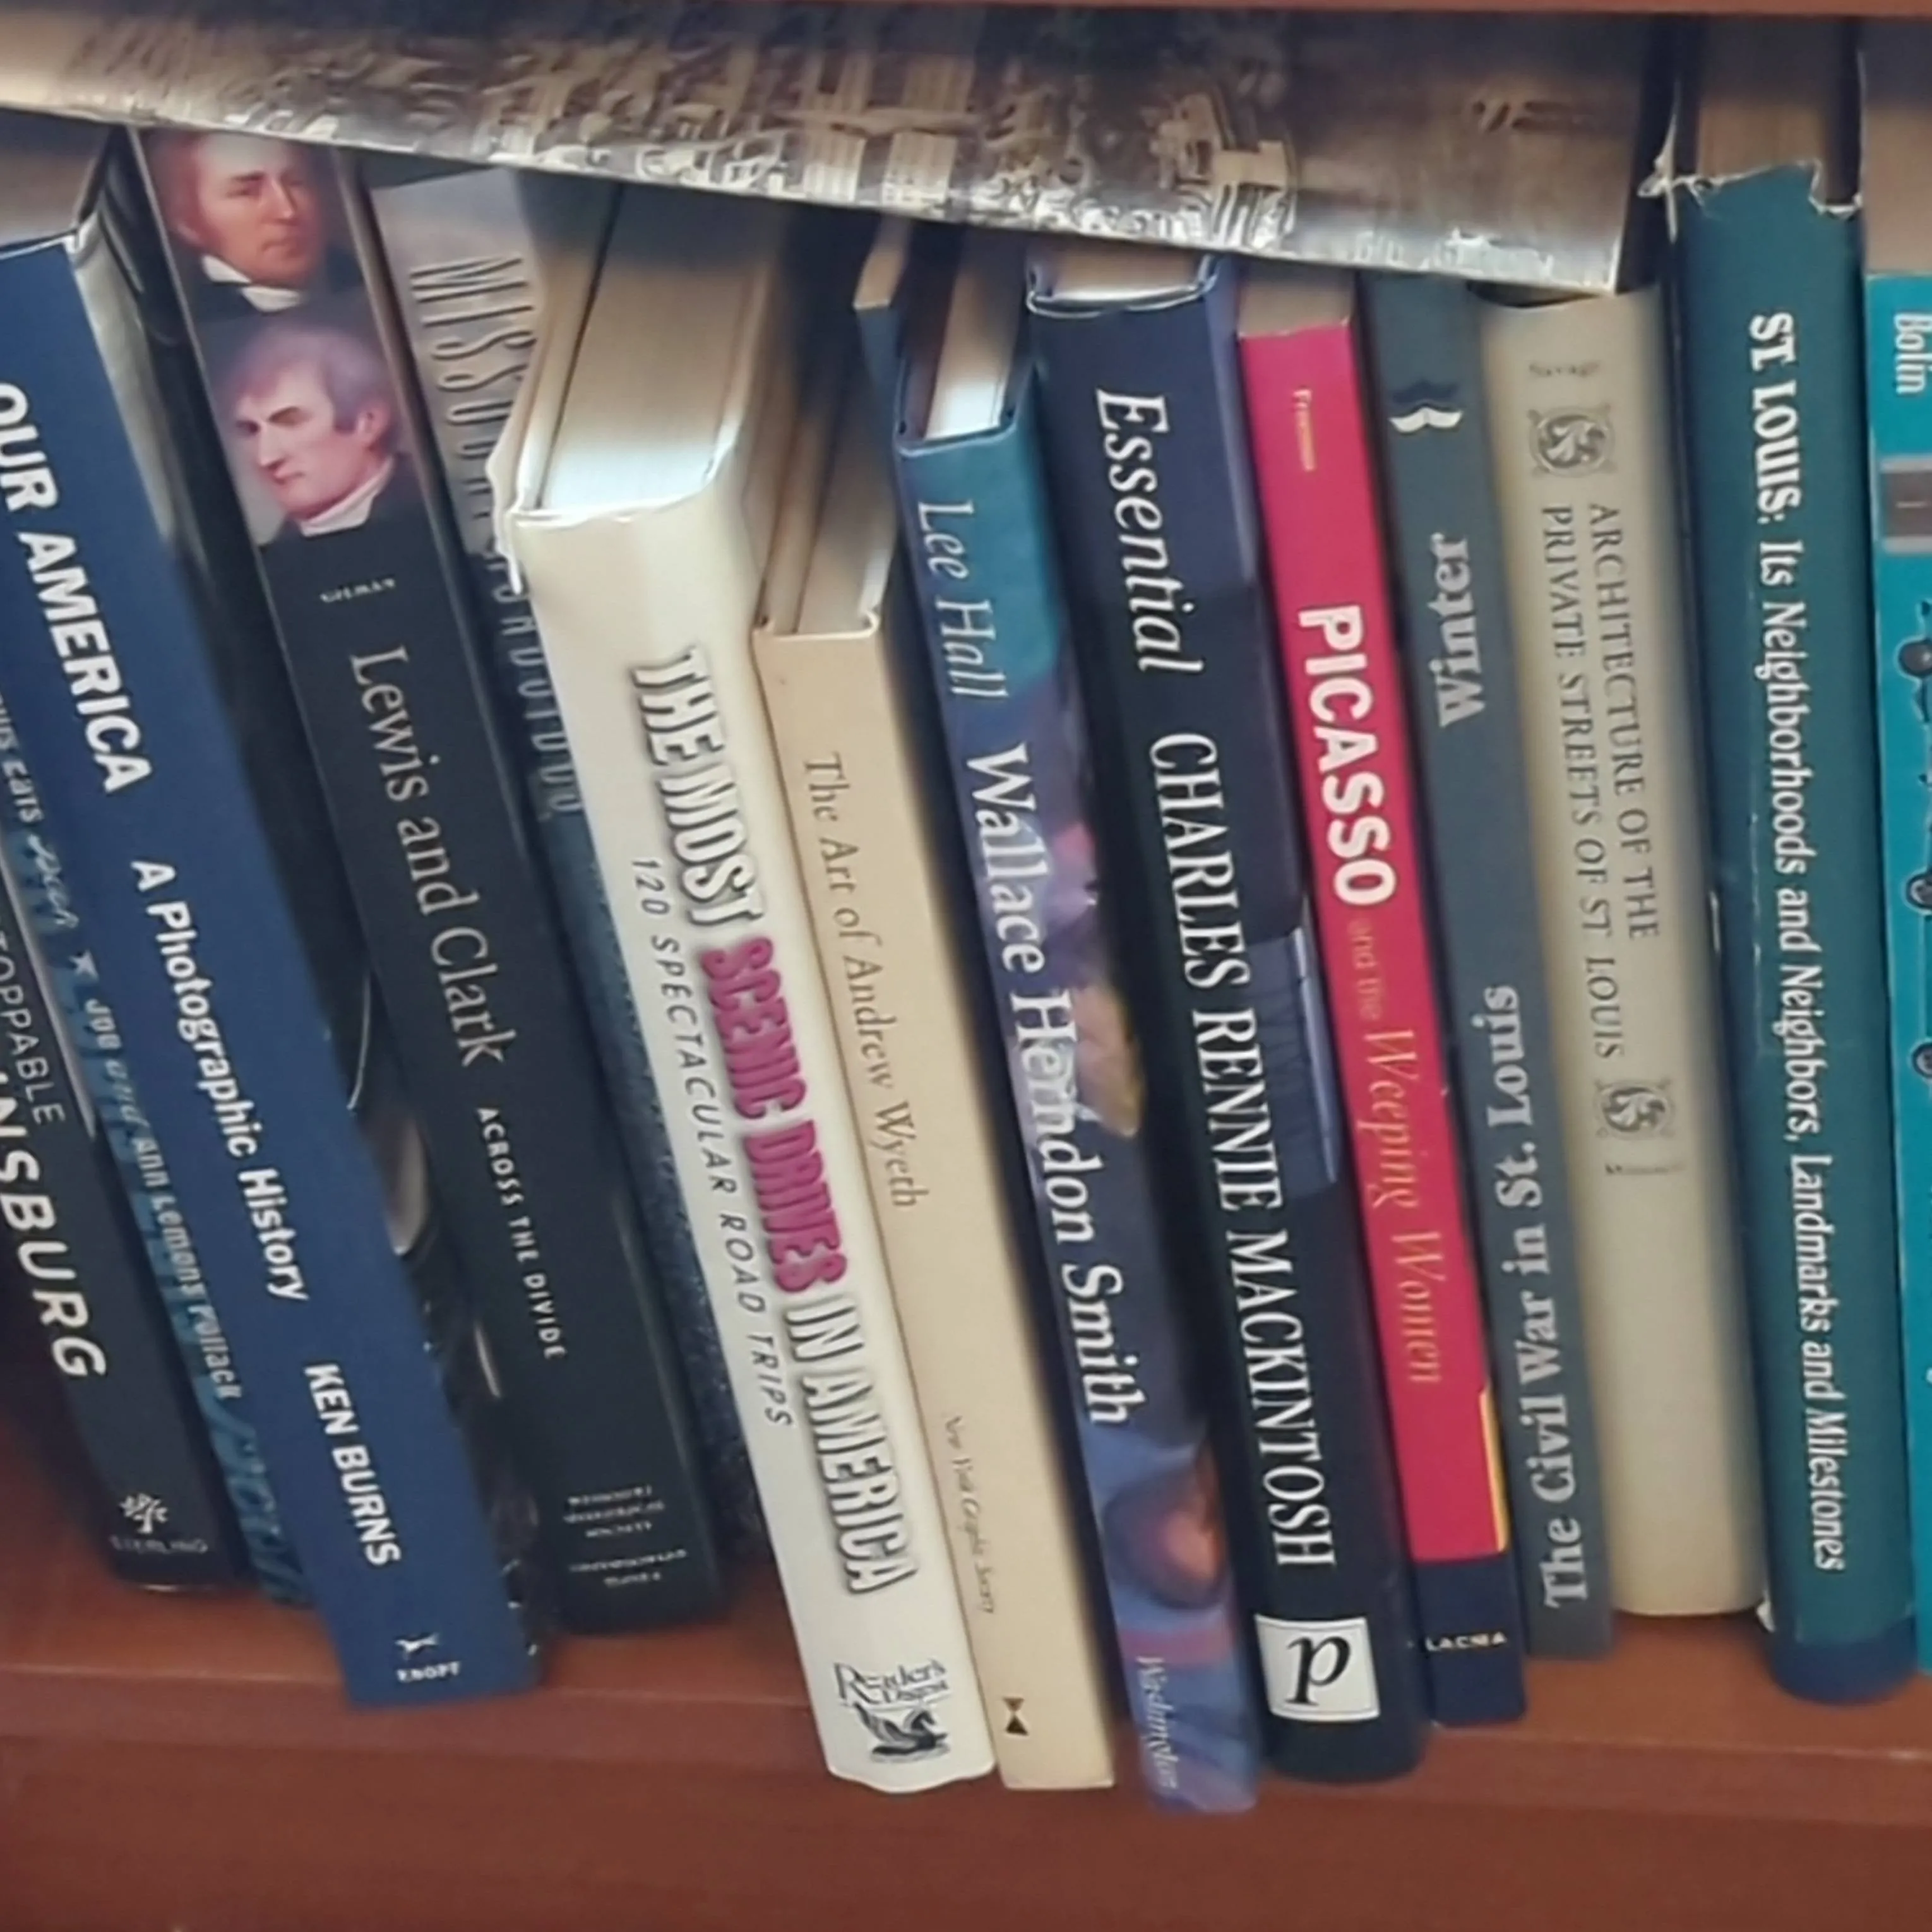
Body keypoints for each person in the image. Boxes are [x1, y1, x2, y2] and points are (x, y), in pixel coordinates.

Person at [218, 320, 417, 540]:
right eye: (250, 430)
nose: (266, 458)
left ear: (368, 423)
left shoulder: (434, 506)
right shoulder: (269, 556)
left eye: (290, 421)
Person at [149, 131, 357, 320]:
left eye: (296, 182)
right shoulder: (195, 319)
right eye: (247, 193)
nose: (288, 212)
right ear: (187, 221)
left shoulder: (355, 277)